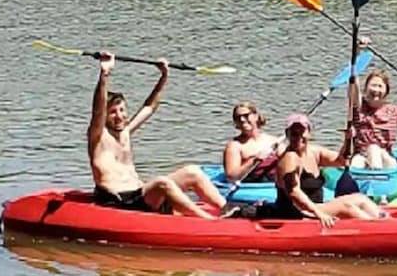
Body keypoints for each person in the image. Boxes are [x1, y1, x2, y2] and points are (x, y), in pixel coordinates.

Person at [88, 52, 226, 219]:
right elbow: (97, 111)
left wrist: (164, 76)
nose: (119, 116)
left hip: (139, 194)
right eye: (113, 112)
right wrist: (105, 74)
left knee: (192, 172)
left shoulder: (125, 132)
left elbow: (149, 107)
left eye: (122, 110)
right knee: (162, 182)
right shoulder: (98, 136)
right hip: (119, 201)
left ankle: (228, 209)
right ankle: (209, 221)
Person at [270, 113, 383, 227]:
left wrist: (348, 140)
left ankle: (384, 221)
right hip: (297, 211)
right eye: (294, 133)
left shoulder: (315, 152)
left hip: (316, 206)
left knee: (360, 198)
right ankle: (377, 229)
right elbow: (294, 193)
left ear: (309, 133)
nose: (298, 137)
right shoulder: (290, 158)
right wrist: (318, 213)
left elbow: (342, 161)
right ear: (287, 135)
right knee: (347, 207)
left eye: (302, 132)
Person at [348, 67, 397, 169]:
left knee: (374, 149)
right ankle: (360, 180)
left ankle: (377, 178)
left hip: (385, 159)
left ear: (386, 91)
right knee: (357, 161)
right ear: (366, 89)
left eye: (380, 86)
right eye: (373, 85)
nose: (376, 90)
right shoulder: (359, 107)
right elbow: (354, 87)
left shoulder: (394, 111)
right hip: (362, 156)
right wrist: (355, 66)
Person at [222, 101, 285, 183]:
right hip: (251, 185)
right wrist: (254, 160)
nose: (242, 119)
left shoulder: (273, 141)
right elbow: (231, 176)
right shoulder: (234, 146)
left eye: (246, 115)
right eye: (238, 117)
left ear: (256, 116)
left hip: (273, 183)